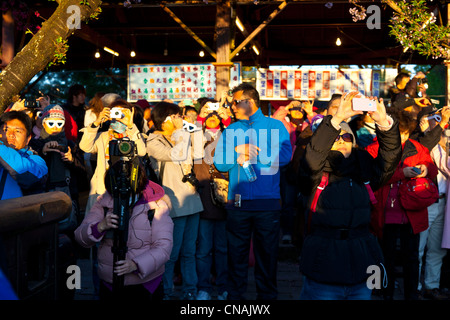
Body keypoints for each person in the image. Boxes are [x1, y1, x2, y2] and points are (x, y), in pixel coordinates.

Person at [297, 92, 400, 300]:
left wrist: (384, 124)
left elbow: (389, 158)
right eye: (334, 138)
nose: (341, 140)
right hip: (324, 262)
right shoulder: (316, 172)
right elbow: (314, 156)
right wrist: (335, 121)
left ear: (353, 141)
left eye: (345, 136)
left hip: (362, 261)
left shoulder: (364, 170)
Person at [213, 83, 292, 300]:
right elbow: (220, 163)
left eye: (236, 102)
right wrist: (237, 150)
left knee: (267, 257)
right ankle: (235, 298)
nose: (232, 107)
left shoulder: (276, 127)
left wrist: (255, 153)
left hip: (267, 203)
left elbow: (286, 156)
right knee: (235, 257)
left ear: (250, 102)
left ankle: (267, 298)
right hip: (237, 204)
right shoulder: (230, 130)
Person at [367, 110, 441, 300]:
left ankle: (411, 294)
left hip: (411, 212)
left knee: (412, 257)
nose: (403, 137)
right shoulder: (374, 148)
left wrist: (425, 169)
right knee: (383, 257)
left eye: (406, 133)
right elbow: (372, 177)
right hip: (384, 211)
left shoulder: (416, 147)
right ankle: (381, 291)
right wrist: (402, 173)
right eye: (400, 133)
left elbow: (431, 166)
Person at [74, 160, 173, 300]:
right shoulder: (104, 202)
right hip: (110, 285)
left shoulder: (156, 206)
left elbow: (164, 247)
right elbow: (80, 237)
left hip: (146, 286)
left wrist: (136, 265)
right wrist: (100, 226)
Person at [146, 101, 204, 300]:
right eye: (175, 116)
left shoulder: (181, 135)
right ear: (164, 119)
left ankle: (190, 291)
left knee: (189, 252)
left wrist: (192, 129)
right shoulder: (153, 141)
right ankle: (167, 292)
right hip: (173, 204)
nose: (180, 119)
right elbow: (176, 155)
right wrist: (182, 133)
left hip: (192, 200)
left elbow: (198, 153)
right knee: (171, 252)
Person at [79, 98, 147, 215]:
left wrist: (131, 127)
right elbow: (85, 147)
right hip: (102, 189)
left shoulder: (135, 135)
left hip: (127, 189)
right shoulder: (102, 137)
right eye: (115, 112)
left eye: (123, 113)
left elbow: (141, 152)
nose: (118, 116)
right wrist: (96, 123)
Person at [193, 107, 228, 300]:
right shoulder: (198, 139)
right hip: (204, 199)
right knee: (203, 249)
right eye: (209, 116)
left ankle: (223, 286)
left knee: (222, 249)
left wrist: (228, 118)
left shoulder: (228, 137)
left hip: (224, 199)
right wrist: (200, 116)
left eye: (216, 116)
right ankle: (203, 287)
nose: (212, 117)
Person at [34, 104, 85, 233]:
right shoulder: (35, 143)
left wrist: (71, 160)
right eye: (51, 123)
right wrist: (43, 152)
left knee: (68, 230)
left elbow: (82, 173)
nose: (55, 127)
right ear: (43, 123)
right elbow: (30, 172)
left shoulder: (70, 144)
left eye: (59, 123)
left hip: (67, 193)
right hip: (43, 194)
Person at [417, 108, 450, 300]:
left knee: (437, 249)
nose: (437, 121)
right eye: (432, 118)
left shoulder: (444, 141)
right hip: (425, 202)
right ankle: (415, 286)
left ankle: (431, 286)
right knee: (419, 248)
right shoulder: (421, 142)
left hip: (443, 202)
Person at [0, 111, 48, 200]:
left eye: (17, 131)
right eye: (6, 130)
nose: (11, 135)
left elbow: (24, 173)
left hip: (18, 213)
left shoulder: (37, 161)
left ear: (28, 138)